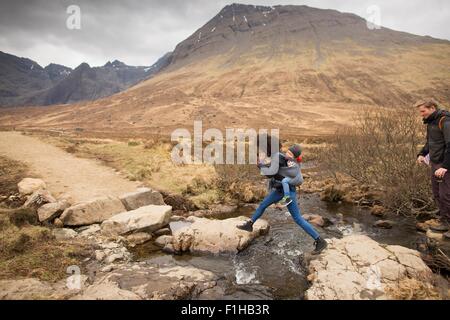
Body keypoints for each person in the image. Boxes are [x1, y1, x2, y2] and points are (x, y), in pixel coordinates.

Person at [237, 139, 327, 255]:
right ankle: (250, 224)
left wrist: (260, 165)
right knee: (263, 204)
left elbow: (271, 173)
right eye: (287, 151)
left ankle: (319, 240)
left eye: (290, 153)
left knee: (298, 219)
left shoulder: (281, 158)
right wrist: (261, 165)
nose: (287, 154)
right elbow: (272, 170)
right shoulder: (280, 158)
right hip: (279, 190)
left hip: (288, 191)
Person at [416, 100, 450, 237]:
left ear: (432, 108)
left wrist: (445, 167)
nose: (421, 114)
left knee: (446, 194)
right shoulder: (431, 123)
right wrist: (422, 154)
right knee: (437, 193)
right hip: (435, 164)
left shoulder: (445, 121)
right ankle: (444, 221)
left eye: (423, 111)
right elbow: (430, 142)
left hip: (445, 165)